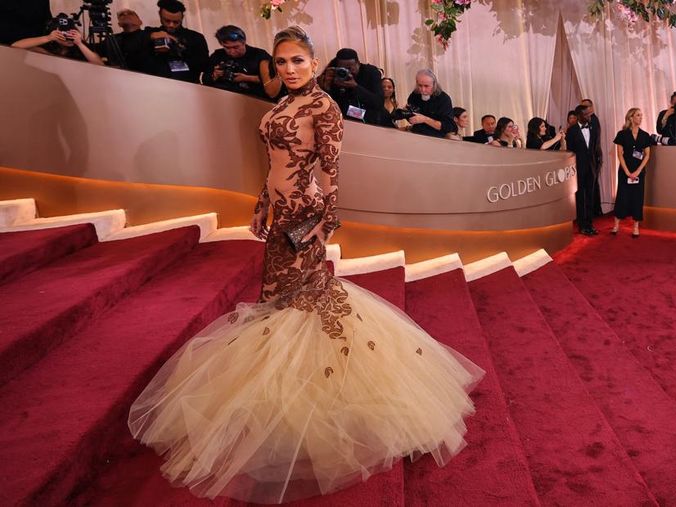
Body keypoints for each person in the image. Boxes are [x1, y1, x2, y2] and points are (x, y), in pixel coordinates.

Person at [128, 26, 483, 504]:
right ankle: (282, 402)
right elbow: (273, 162)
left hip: (306, 216)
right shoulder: (279, 106)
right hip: (280, 214)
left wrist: (326, 225)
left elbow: (333, 171)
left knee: (299, 304)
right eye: (281, 62)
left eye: (298, 61)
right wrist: (260, 203)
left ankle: (316, 410)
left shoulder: (323, 107)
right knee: (282, 303)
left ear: (314, 64)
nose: (289, 69)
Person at [137, 0, 209, 83]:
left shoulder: (195, 37)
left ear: (182, 18)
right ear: (160, 15)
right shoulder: (149, 33)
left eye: (176, 22)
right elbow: (132, 50)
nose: (171, 25)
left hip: (187, 86)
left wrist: (180, 48)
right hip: (155, 85)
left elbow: (204, 65)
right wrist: (150, 37)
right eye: (167, 21)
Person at [612, 108, 652, 238]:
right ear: (631, 118)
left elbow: (647, 155)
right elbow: (620, 154)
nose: (641, 118)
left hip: (639, 171)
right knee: (622, 197)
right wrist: (627, 172)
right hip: (624, 171)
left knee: (637, 198)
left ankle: (635, 227)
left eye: (641, 115)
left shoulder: (645, 135)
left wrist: (638, 171)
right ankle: (616, 225)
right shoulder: (622, 134)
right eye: (638, 115)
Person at [318, 48, 384, 125]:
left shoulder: (370, 72)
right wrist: (326, 87)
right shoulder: (335, 75)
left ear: (358, 63)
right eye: (342, 69)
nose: (346, 72)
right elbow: (328, 107)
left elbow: (378, 102)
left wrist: (355, 87)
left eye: (349, 68)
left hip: (369, 122)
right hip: (342, 121)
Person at [202, 25, 271, 99]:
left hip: (255, 97)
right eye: (227, 48)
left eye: (236, 47)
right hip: (224, 98)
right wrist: (215, 75)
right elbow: (205, 80)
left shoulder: (259, 54)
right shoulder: (217, 55)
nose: (232, 51)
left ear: (244, 42)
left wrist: (247, 78)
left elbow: (274, 79)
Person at [11, 16, 104, 66]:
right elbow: (15, 46)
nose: (68, 38)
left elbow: (100, 64)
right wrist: (48, 38)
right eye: (64, 34)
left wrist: (80, 43)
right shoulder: (48, 50)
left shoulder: (79, 49)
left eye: (71, 34)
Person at [566, 105, 601, 235]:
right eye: (586, 114)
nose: (589, 116)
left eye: (589, 114)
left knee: (590, 196)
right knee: (580, 197)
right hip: (578, 169)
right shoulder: (572, 131)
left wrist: (597, 165)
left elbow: (596, 148)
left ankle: (590, 224)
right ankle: (582, 226)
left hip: (591, 168)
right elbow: (570, 152)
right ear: (579, 116)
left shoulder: (594, 128)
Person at [405, 69, 455, 137]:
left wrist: (425, 119)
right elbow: (411, 118)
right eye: (420, 85)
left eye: (426, 86)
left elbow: (448, 127)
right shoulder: (415, 95)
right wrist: (407, 114)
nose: (422, 90)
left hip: (436, 137)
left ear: (434, 84)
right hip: (416, 134)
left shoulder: (444, 99)